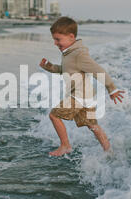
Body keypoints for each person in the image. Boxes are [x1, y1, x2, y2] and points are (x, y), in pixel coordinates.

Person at [39, 17, 125, 156]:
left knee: (54, 116)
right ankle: (109, 151)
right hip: (86, 97)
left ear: (71, 36)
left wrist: (112, 88)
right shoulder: (69, 53)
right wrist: (49, 67)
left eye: (58, 39)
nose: (55, 43)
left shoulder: (79, 54)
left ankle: (65, 146)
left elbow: (99, 71)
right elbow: (64, 70)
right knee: (92, 125)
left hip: (79, 96)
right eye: (54, 39)